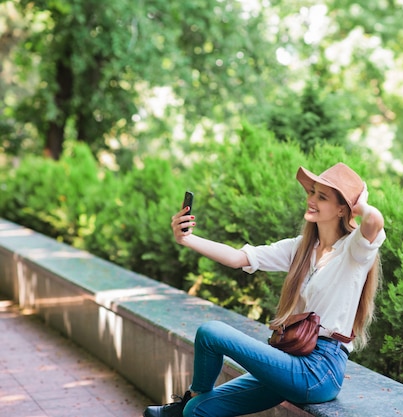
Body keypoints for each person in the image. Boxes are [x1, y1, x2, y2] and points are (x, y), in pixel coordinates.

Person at [143, 162, 385, 417]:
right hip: (291, 358)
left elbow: (374, 221)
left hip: (319, 369)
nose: (311, 199)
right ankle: (188, 404)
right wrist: (187, 239)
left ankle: (187, 399)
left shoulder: (354, 251)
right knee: (197, 410)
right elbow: (239, 258)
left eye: (322, 196)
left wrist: (361, 207)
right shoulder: (301, 248)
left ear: (341, 209)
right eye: (312, 192)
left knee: (210, 332)